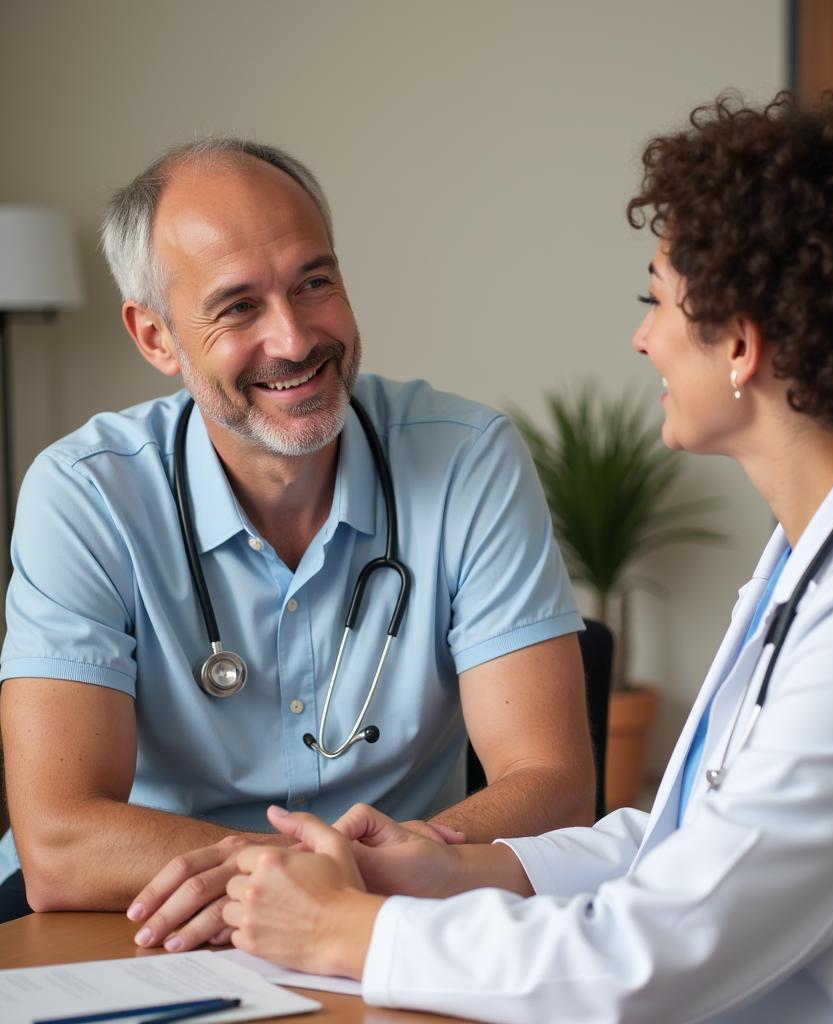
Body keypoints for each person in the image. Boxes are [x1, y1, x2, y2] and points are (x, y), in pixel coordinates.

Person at [216, 91, 833, 1023]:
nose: (642, 336)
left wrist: (344, 933)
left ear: (742, 345)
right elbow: (697, 842)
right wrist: (454, 867)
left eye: (658, 299)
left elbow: (651, 959)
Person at [0, 138, 597, 930]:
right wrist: (298, 880)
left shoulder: (465, 458)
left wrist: (341, 890)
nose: (294, 338)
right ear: (155, 337)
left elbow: (555, 785)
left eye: (314, 282)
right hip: (140, 912)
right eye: (239, 305)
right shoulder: (85, 494)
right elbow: (61, 841)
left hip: (388, 910)